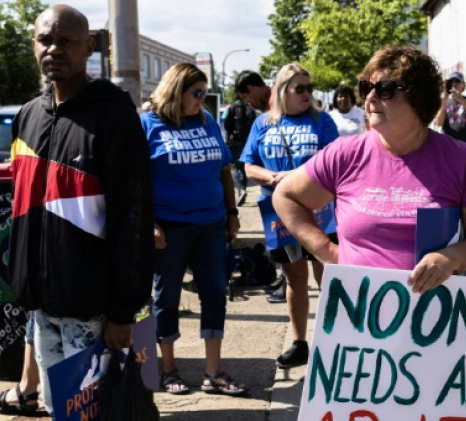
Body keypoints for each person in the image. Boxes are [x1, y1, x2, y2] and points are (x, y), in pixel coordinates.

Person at [6, 4, 154, 417]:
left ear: (89, 47)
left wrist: (124, 311)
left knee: (95, 413)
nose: (54, 49)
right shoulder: (28, 116)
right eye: (45, 40)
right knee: (60, 411)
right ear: (33, 45)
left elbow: (133, 217)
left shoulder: (114, 117)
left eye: (66, 41)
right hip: (42, 304)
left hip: (94, 310)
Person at [273, 46, 466, 293]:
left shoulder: (460, 159)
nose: (370, 98)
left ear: (418, 98)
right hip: (357, 314)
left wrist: (453, 257)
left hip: (434, 320)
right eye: (366, 88)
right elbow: (285, 196)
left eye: (384, 89)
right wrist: (327, 252)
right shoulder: (344, 154)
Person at [141, 62, 246, 396]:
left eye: (204, 92)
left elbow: (224, 170)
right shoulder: (148, 125)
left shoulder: (206, 121)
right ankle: (169, 369)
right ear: (177, 91)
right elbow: (134, 182)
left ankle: (213, 371)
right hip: (170, 227)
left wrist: (231, 213)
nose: (203, 98)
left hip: (212, 224)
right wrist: (150, 224)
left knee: (215, 292)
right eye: (197, 93)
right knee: (166, 296)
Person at [240, 63, 339, 368]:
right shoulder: (263, 124)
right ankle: (299, 344)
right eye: (301, 88)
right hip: (278, 212)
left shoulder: (322, 121)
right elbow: (248, 166)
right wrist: (272, 178)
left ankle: (333, 342)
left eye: (310, 87)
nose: (308, 93)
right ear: (283, 90)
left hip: (320, 212)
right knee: (294, 279)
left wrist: (298, 177)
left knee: (329, 277)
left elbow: (336, 162)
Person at [223, 71, 271, 205]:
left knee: (238, 167)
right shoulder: (256, 109)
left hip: (237, 142)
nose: (247, 101)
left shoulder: (230, 107)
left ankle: (241, 188)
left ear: (251, 89)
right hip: (247, 141)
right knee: (245, 166)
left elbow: (225, 123)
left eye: (246, 96)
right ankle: (242, 188)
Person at [434, 70, 466, 151]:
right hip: (450, 150)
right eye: (451, 82)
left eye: (457, 81)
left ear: (463, 85)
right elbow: (438, 123)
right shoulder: (443, 102)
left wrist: (461, 100)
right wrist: (443, 103)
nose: (454, 84)